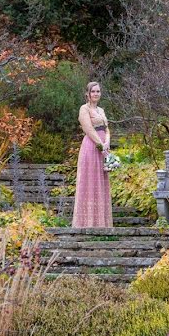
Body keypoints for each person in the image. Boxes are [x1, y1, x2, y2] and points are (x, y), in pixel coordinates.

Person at [72, 81, 113, 228]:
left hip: (103, 149)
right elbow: (88, 129)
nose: (96, 94)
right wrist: (100, 144)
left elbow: (107, 128)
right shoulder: (84, 109)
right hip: (91, 147)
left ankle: (101, 223)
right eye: (93, 91)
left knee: (101, 182)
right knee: (89, 181)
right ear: (88, 94)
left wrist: (107, 142)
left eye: (98, 91)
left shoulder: (101, 110)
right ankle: (87, 222)